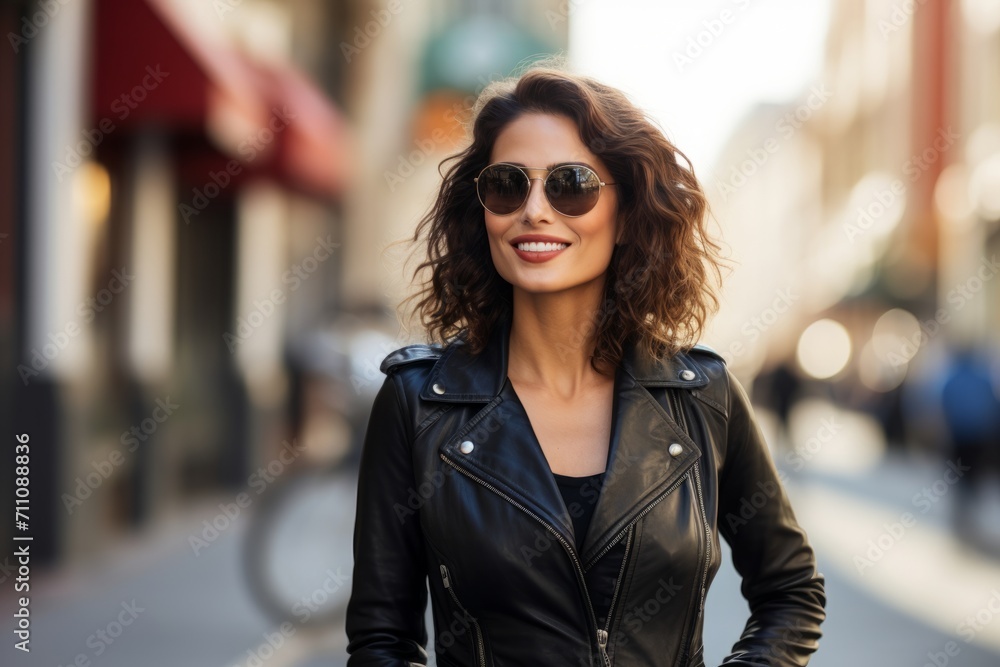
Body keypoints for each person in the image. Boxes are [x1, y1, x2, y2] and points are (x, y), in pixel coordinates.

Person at [344, 62, 826, 666]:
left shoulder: (704, 397)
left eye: (570, 184)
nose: (535, 210)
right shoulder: (418, 404)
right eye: (507, 185)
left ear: (625, 215)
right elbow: (381, 639)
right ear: (483, 212)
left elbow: (790, 591)